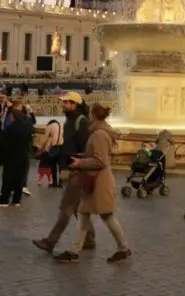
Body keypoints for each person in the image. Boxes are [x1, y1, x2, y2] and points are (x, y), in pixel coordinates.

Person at [53, 103, 132, 264]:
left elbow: (100, 161)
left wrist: (80, 163)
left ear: (93, 116)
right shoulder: (100, 132)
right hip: (95, 180)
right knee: (84, 214)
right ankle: (75, 251)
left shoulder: (99, 135)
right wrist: (81, 158)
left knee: (106, 216)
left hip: (99, 182)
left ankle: (122, 248)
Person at [33, 92, 95, 253]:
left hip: (77, 170)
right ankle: (90, 237)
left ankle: (51, 241)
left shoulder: (81, 122)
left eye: (67, 102)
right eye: (64, 102)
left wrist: (78, 163)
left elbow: (86, 147)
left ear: (75, 104)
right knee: (78, 207)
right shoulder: (69, 121)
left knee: (66, 208)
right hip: (69, 168)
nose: (64, 105)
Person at [0, 104, 33, 207]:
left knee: (7, 179)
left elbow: (5, 144)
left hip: (11, 157)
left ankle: (4, 200)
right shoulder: (27, 125)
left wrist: (1, 157)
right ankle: (16, 200)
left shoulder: (12, 128)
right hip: (23, 156)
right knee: (19, 180)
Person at [38, 119, 61, 186]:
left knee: (52, 165)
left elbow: (45, 139)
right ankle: (61, 182)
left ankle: (54, 182)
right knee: (60, 166)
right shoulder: (60, 126)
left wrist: (40, 148)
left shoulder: (50, 126)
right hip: (61, 147)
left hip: (53, 147)